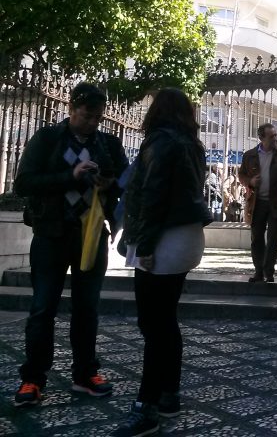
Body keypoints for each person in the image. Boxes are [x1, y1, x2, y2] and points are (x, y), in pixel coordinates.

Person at [13, 83, 128, 408]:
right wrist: (71, 175)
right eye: (86, 116)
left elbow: (123, 182)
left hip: (91, 234)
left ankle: (86, 374)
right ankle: (33, 379)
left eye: (98, 118)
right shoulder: (48, 139)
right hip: (51, 234)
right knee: (42, 307)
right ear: (71, 108)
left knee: (87, 307)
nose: (92, 123)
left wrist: (109, 183)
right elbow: (24, 183)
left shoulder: (108, 144)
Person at [112, 88, 211, 436]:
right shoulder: (192, 144)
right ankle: (169, 393)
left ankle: (147, 406)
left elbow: (153, 194)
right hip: (186, 236)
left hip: (163, 238)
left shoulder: (161, 142)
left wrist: (145, 244)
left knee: (153, 325)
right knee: (165, 321)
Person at [238, 123, 277, 283]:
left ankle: (269, 271)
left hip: (276, 202)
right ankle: (259, 271)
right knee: (256, 237)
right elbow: (241, 175)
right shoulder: (249, 155)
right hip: (256, 203)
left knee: (273, 238)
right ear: (261, 138)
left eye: (275, 135)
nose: (275, 139)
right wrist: (250, 181)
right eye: (271, 136)